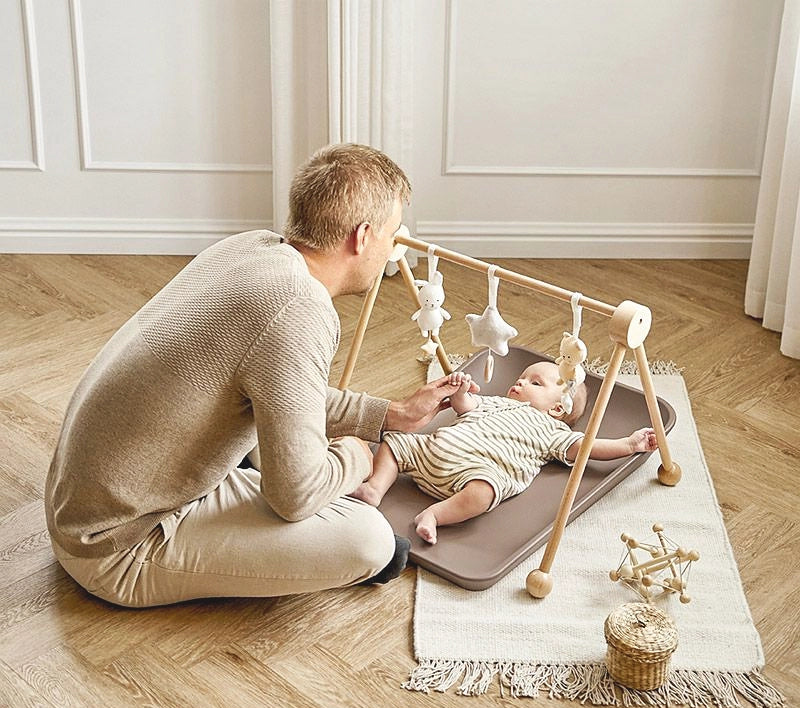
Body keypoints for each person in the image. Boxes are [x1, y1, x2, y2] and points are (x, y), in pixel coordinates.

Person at [44, 143, 475, 607]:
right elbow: (296, 497)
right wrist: (357, 457)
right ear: (363, 236)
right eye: (393, 234)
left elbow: (280, 388)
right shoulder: (299, 309)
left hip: (94, 495)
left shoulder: (252, 247)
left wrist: (392, 414)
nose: (394, 250)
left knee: (276, 451)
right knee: (371, 540)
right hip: (116, 544)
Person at [351, 362, 657, 544]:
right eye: (521, 378)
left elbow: (587, 448)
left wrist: (628, 445)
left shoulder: (555, 433)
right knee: (395, 441)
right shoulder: (499, 402)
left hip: (473, 472)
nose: (521, 382)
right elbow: (465, 407)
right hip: (431, 450)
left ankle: (434, 515)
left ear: (557, 408)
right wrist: (460, 390)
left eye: (535, 383)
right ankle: (376, 488)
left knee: (485, 493)